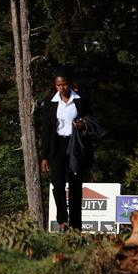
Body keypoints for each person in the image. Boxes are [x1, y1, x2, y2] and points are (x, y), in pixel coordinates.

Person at [40, 69, 98, 232]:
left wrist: (83, 124)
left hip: (75, 145)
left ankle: (76, 225)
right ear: (55, 86)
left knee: (75, 186)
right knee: (57, 183)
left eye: (64, 84)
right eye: (58, 85)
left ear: (70, 84)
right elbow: (46, 130)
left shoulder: (80, 100)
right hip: (57, 145)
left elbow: (91, 119)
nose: (62, 88)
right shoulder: (50, 102)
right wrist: (44, 156)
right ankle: (62, 220)